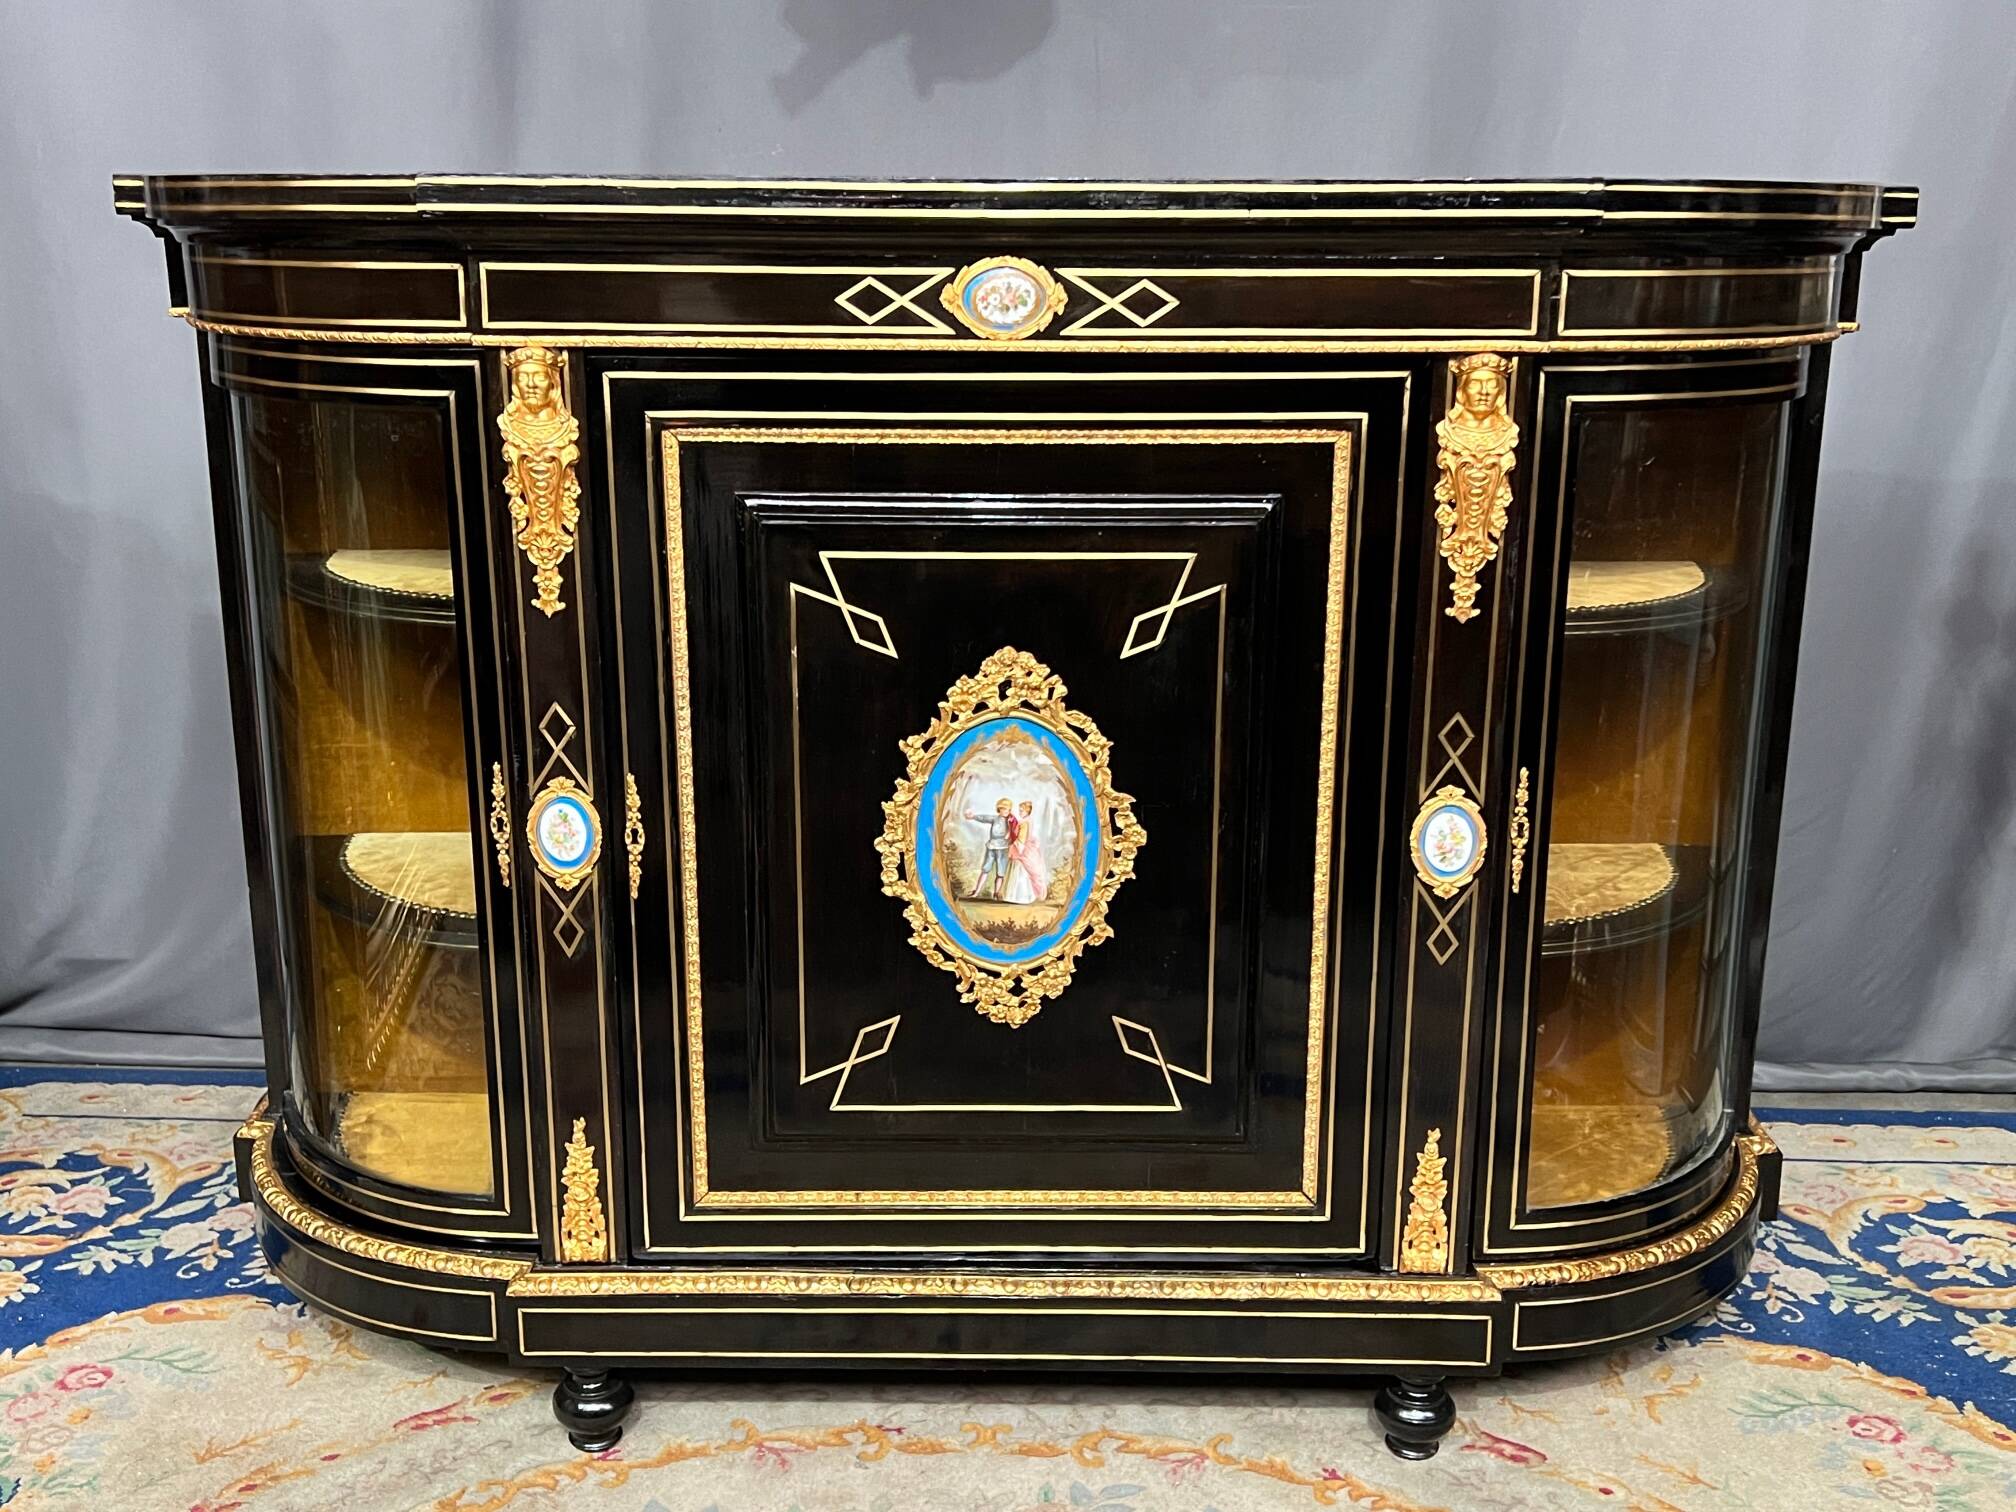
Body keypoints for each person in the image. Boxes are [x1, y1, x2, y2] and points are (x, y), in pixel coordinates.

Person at [963, 798, 1018, 899]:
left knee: (1000, 872)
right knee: (985, 869)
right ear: (999, 809)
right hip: (992, 846)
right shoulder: (995, 819)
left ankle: (996, 894)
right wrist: (973, 817)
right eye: (1003, 809)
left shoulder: (1011, 821)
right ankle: (976, 892)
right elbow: (984, 818)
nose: (1006, 811)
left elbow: (1015, 832)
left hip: (1003, 848)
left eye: (1007, 809)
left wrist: (1010, 837)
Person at [1005, 800, 1051, 904]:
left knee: (1022, 868)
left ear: (1027, 811)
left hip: (1023, 848)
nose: (1020, 812)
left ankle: (1019, 896)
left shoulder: (1024, 822)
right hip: (1026, 846)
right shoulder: (1028, 821)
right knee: (1026, 869)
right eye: (1019, 810)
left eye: (1022, 811)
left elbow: (1022, 838)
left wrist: (1017, 847)